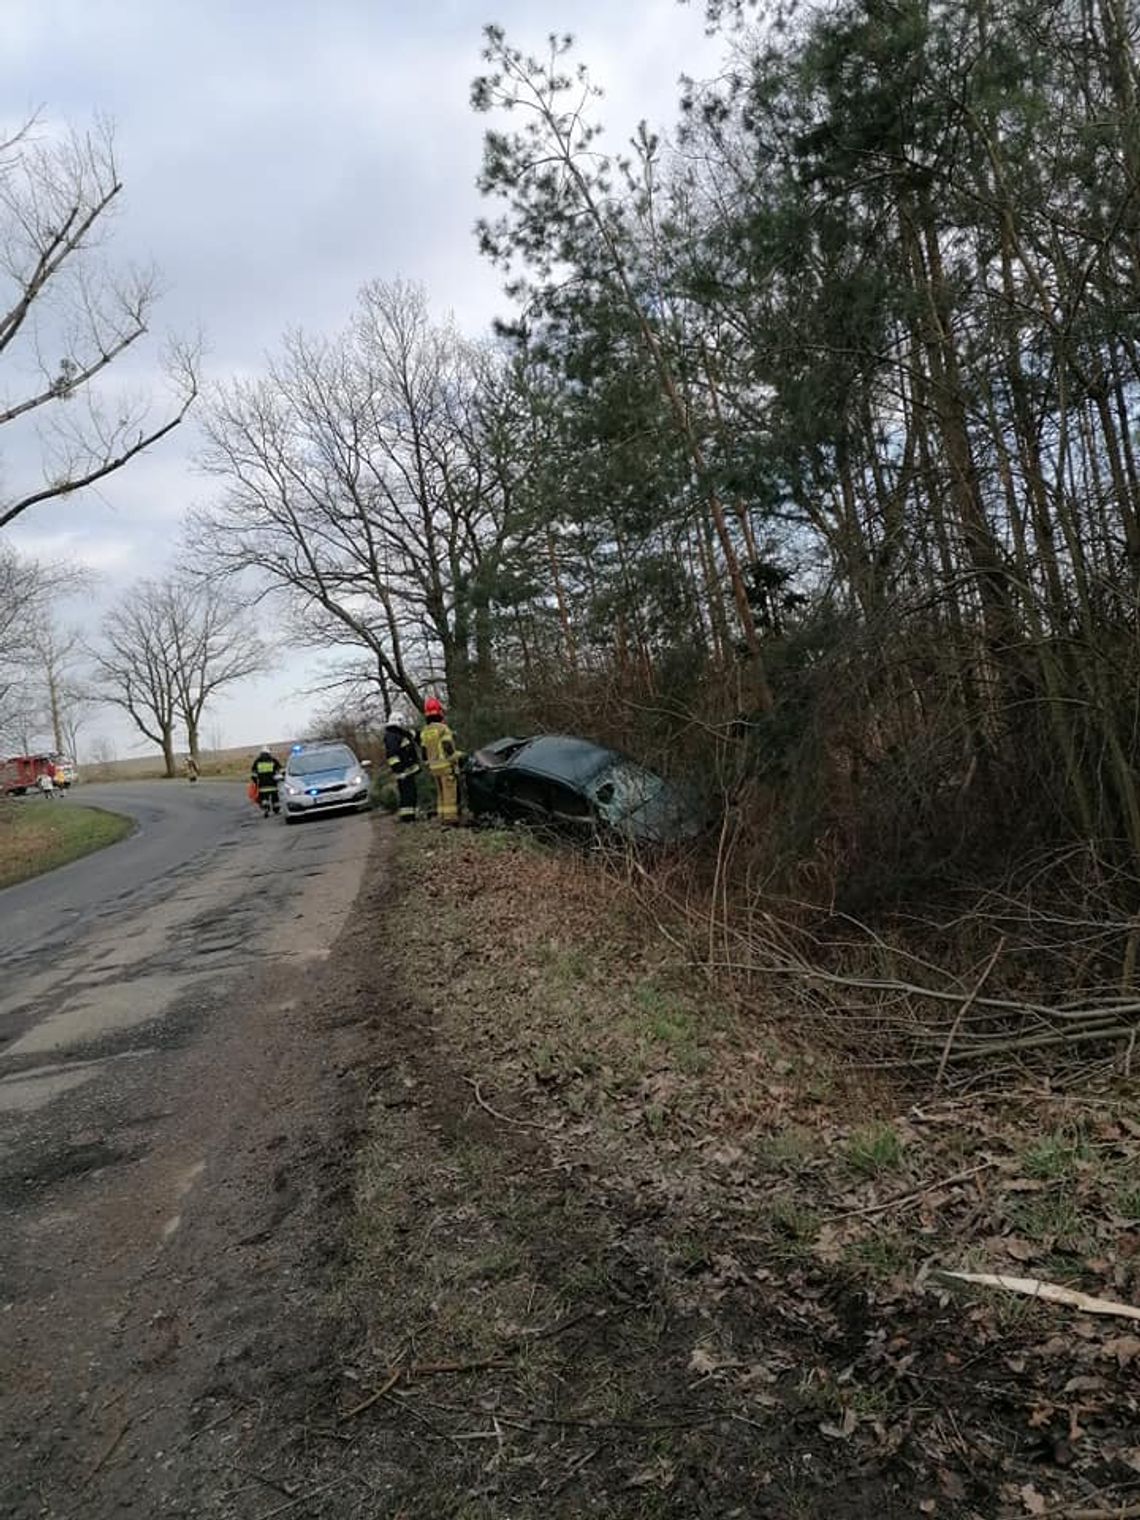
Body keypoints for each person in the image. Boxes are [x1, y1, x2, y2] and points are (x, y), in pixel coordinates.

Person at [419, 696, 463, 824]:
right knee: (449, 792)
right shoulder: (443, 728)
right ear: (439, 712)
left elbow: (423, 753)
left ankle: (442, 816)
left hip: (434, 768)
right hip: (446, 766)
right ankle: (450, 818)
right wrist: (457, 756)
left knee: (441, 793)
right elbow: (447, 746)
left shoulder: (425, 731)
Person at [383, 711, 420, 823]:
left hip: (407, 771)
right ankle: (407, 818)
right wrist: (399, 769)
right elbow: (392, 755)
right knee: (407, 794)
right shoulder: (392, 737)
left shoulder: (399, 734)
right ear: (398, 722)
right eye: (403, 722)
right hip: (403, 772)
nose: (404, 725)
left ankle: (410, 817)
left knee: (410, 793)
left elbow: (411, 735)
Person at [250, 746, 281, 815]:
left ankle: (266, 808)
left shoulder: (257, 761)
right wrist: (280, 778)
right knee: (275, 798)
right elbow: (279, 770)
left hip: (262, 785)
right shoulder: (273, 760)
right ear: (269, 753)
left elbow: (253, 774)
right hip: (273, 784)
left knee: (264, 798)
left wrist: (255, 782)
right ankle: (276, 809)